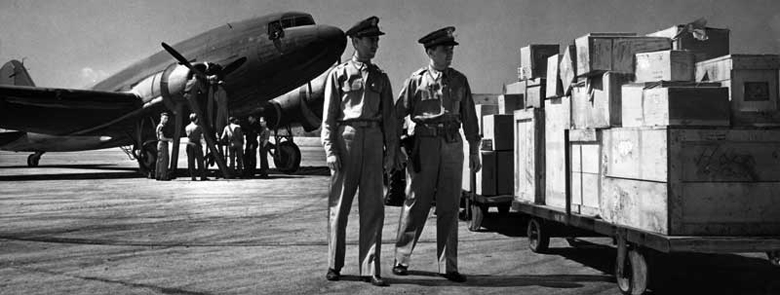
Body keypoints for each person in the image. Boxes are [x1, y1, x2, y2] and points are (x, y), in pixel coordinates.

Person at [391, 26, 481, 283]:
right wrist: (397, 146)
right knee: (415, 202)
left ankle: (448, 265)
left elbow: (471, 119)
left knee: (450, 206)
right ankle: (402, 258)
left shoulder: (460, 80)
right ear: (430, 51)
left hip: (453, 145)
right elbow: (397, 114)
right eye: (444, 49)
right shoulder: (416, 81)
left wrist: (474, 150)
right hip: (424, 145)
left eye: (451, 49)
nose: (449, 53)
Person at [321, 16, 399, 287]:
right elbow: (329, 117)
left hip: (375, 140)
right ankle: (334, 264)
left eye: (377, 40)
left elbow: (390, 119)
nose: (375, 44)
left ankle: (370, 268)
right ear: (356, 41)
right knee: (339, 206)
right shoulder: (339, 74)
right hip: (347, 139)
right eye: (371, 39)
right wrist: (330, 150)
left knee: (373, 207)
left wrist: (391, 154)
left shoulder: (381, 78)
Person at [185, 113, 208, 181]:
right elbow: (201, 137)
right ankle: (202, 176)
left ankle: (193, 176)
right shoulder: (199, 127)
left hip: (189, 144)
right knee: (200, 161)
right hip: (196, 144)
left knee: (191, 161)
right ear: (196, 119)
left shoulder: (187, 127)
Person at [155, 112, 173, 181]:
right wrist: (169, 139)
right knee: (164, 160)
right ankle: (163, 176)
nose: (166, 120)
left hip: (160, 144)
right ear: (161, 118)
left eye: (167, 118)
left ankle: (158, 175)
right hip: (162, 143)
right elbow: (161, 137)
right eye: (164, 118)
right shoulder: (161, 126)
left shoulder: (159, 126)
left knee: (159, 160)